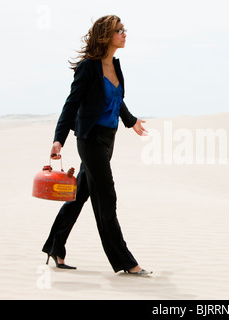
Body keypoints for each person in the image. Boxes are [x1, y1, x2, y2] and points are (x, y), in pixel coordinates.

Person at [42, 15, 151, 275]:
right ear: (106, 35)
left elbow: (115, 98)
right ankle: (125, 262)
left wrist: (131, 120)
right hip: (89, 140)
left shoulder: (114, 65)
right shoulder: (88, 67)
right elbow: (72, 103)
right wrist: (59, 139)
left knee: (79, 195)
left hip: (107, 140)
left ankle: (55, 246)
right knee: (107, 197)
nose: (125, 34)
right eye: (119, 30)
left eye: (124, 29)